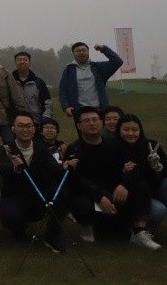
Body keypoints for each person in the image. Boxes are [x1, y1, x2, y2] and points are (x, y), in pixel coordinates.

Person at [64, 107, 155, 249]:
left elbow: (125, 169)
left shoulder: (114, 145)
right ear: (79, 126)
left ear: (101, 123)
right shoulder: (74, 149)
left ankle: (139, 232)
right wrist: (100, 197)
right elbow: (78, 181)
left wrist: (123, 184)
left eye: (95, 120)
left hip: (112, 191)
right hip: (90, 195)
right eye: (86, 121)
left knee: (141, 187)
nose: (92, 123)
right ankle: (87, 226)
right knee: (81, 202)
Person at [115, 114, 167, 248]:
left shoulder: (150, 145)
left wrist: (158, 168)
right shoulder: (115, 148)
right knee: (159, 210)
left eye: (135, 130)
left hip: (153, 189)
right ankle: (137, 231)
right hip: (135, 195)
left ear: (140, 130)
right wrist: (123, 173)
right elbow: (112, 175)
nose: (131, 133)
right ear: (119, 130)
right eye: (126, 130)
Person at [0, 111, 67, 252]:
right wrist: (15, 167)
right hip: (14, 194)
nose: (25, 130)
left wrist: (64, 166)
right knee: (11, 218)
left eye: (29, 126)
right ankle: (19, 228)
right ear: (13, 129)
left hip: (37, 193)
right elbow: (3, 169)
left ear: (34, 129)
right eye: (21, 126)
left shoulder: (41, 149)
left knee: (62, 195)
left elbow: (54, 169)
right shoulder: (6, 149)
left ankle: (51, 237)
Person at [58, 43, 123, 117]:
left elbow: (118, 62)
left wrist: (103, 48)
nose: (81, 52)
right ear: (73, 54)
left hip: (100, 111)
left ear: (88, 52)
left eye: (84, 50)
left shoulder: (98, 67)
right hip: (79, 112)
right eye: (78, 51)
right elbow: (62, 90)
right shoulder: (69, 70)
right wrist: (66, 107)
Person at [12, 52, 53, 125]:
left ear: (30, 62)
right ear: (15, 63)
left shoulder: (38, 82)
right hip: (15, 123)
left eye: (25, 60)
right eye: (19, 60)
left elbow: (47, 103)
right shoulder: (10, 81)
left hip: (36, 122)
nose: (22, 62)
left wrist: (46, 120)